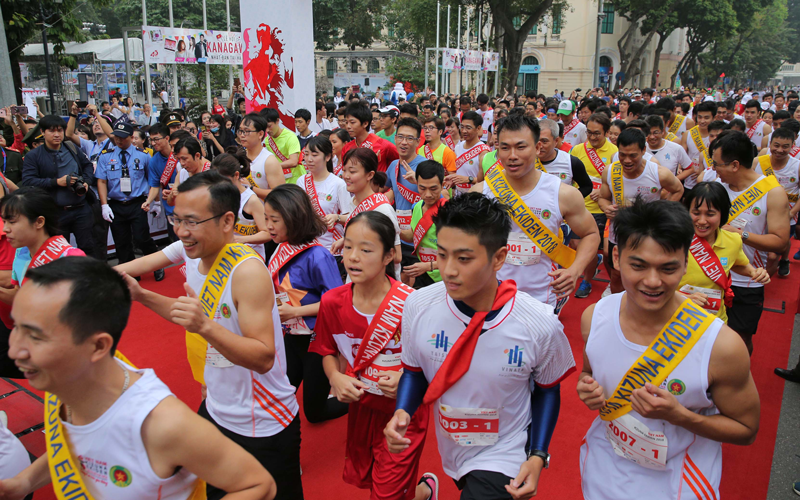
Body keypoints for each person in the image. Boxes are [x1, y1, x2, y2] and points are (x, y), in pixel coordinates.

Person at [2, 256, 278, 499]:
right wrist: (24, 482)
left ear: (98, 346)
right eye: (16, 327)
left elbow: (256, 485)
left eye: (36, 336)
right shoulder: (62, 378)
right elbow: (81, 444)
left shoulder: (163, 423)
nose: (14, 350)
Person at [116, 171, 303, 499]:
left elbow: (262, 356)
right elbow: (189, 317)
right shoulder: (199, 258)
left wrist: (205, 327)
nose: (181, 232)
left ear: (227, 221)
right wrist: (142, 296)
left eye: (191, 221)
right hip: (217, 410)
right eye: (176, 220)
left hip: (261, 421)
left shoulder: (246, 272)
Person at [385, 192, 576, 500]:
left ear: (499, 257)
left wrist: (537, 454)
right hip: (453, 445)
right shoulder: (418, 305)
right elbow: (414, 370)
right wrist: (403, 411)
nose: (447, 270)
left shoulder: (539, 323)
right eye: (442, 254)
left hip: (505, 452)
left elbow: (547, 389)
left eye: (463, 259)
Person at [577, 198, 760, 500]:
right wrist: (586, 387)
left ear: (686, 263)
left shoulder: (722, 346)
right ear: (617, 257)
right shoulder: (593, 317)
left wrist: (682, 417)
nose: (652, 282)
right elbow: (588, 372)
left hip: (679, 483)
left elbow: (746, 429)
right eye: (638, 265)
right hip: (603, 471)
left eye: (668, 268)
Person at [311, 211, 430, 499]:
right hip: (363, 407)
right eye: (348, 246)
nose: (352, 257)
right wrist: (335, 376)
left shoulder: (413, 304)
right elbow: (326, 348)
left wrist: (405, 377)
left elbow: (435, 361)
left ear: (389, 256)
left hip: (404, 414)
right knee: (372, 480)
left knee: (385, 492)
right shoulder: (332, 302)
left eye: (366, 250)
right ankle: (423, 492)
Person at [476, 113, 601, 313]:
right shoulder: (481, 192)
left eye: (521, 147)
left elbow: (591, 234)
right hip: (491, 295)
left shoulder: (562, 194)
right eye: (504, 147)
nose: (512, 155)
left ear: (537, 148)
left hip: (542, 297)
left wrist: (575, 270)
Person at [709, 131, 790, 355]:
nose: (714, 169)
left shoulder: (772, 193)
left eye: (717, 164)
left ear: (735, 165)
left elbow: (780, 242)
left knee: (739, 340)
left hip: (747, 280)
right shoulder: (716, 187)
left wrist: (739, 235)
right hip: (711, 272)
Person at [265, 184, 344, 401]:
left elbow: (337, 303)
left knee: (314, 412)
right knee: (280, 395)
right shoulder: (280, 248)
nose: (268, 226)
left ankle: (361, 398)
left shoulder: (318, 256)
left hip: (317, 338)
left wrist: (294, 312)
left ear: (293, 218)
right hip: (290, 335)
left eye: (275, 220)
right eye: (266, 219)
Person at [599, 128, 684, 294]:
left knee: (646, 273)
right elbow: (603, 198)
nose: (627, 160)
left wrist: (660, 213)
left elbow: (678, 190)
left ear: (643, 150)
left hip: (648, 234)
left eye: (633, 155)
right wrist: (606, 207)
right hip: (620, 231)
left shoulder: (658, 173)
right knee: (617, 274)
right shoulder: (610, 171)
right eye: (622, 154)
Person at [680, 182, 770, 322]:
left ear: (723, 214)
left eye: (710, 214)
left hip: (715, 321)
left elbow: (738, 264)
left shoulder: (733, 241)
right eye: (696, 213)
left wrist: (755, 272)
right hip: (676, 321)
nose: (702, 221)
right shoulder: (672, 241)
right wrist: (682, 299)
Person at [95, 122, 165, 281]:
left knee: (141, 237)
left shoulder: (143, 155)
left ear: (131, 137)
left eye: (122, 137)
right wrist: (104, 205)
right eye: (116, 137)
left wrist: (156, 202)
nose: (119, 140)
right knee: (121, 241)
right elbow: (102, 181)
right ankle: (131, 272)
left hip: (137, 202)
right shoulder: (106, 155)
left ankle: (156, 264)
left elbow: (152, 180)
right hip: (116, 204)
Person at [20, 115, 96, 257]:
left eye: (60, 130)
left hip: (81, 208)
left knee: (88, 247)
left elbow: (87, 166)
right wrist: (56, 182)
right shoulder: (34, 156)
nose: (57, 134)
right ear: (42, 132)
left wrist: (86, 181)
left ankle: (89, 278)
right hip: (55, 212)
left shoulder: (72, 148)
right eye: (52, 131)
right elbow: (28, 182)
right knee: (58, 252)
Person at [332, 148, 402, 279]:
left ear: (370, 175)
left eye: (352, 171)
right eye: (345, 170)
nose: (346, 176)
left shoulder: (383, 210)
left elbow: (397, 256)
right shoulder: (353, 202)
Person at [571, 113, 619, 298]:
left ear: (607, 132)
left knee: (589, 247)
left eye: (597, 133)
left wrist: (605, 193)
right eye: (589, 132)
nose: (592, 137)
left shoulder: (615, 153)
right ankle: (594, 261)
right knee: (575, 244)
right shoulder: (577, 151)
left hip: (601, 210)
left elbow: (621, 182)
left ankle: (586, 281)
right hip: (579, 208)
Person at [753, 127, 800, 277]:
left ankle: (782, 261)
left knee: (774, 254)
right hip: (760, 214)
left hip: (787, 216)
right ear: (770, 144)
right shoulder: (758, 161)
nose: (780, 150)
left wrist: (792, 213)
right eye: (776, 145)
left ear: (792, 146)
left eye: (785, 146)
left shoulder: (797, 166)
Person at [296, 135, 354, 252]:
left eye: (314, 155)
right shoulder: (301, 181)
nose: (309, 159)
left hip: (330, 249)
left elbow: (350, 217)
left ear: (327, 157)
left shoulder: (338, 184)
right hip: (306, 246)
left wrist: (336, 217)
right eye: (306, 154)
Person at [385, 119, 425, 282]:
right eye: (400, 137)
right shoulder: (393, 165)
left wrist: (419, 182)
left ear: (417, 141)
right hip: (397, 236)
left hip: (420, 237)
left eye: (409, 138)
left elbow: (442, 195)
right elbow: (389, 192)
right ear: (394, 138)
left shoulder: (425, 166)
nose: (404, 142)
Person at [212, 150, 270, 259]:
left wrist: (240, 239)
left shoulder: (251, 200)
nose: (218, 184)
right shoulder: (218, 195)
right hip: (227, 253)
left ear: (236, 175)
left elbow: (267, 233)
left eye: (222, 180)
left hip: (251, 255)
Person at [400, 160, 445, 289]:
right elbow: (412, 235)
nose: (428, 194)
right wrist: (397, 230)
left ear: (442, 185)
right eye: (422, 188)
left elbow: (457, 255)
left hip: (444, 276)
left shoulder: (449, 213)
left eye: (433, 189)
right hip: (423, 271)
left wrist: (429, 266)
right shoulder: (417, 206)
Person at [537, 118, 593, 196]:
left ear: (556, 141)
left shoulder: (571, 162)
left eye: (544, 141)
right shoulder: (525, 160)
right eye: (536, 140)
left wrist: (569, 200)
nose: (539, 146)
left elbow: (587, 186)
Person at [237, 113, 285, 200]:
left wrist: (251, 188)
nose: (242, 135)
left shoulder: (269, 161)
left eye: (247, 131)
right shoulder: (239, 156)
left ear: (260, 134)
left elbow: (280, 193)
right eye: (240, 131)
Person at [341, 103, 399, 173]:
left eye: (352, 122)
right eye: (346, 122)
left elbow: (401, 160)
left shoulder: (382, 145)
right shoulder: (347, 148)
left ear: (365, 123)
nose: (348, 126)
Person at [681, 101, 717, 193]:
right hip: (690, 181)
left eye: (706, 118)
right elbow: (682, 158)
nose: (702, 121)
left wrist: (703, 171)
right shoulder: (688, 134)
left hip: (712, 182)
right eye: (700, 117)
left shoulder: (718, 136)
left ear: (714, 118)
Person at [262, 107, 306, 185]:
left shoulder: (290, 137)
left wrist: (272, 166)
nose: (267, 130)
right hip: (281, 180)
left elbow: (293, 162)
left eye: (269, 126)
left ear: (277, 121)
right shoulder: (267, 140)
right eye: (264, 127)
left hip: (296, 180)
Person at [451, 111, 489, 194]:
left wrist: (468, 179)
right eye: (462, 127)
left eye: (468, 128)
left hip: (474, 196)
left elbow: (487, 180)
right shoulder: (459, 146)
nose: (464, 131)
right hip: (458, 194)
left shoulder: (484, 151)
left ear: (478, 128)